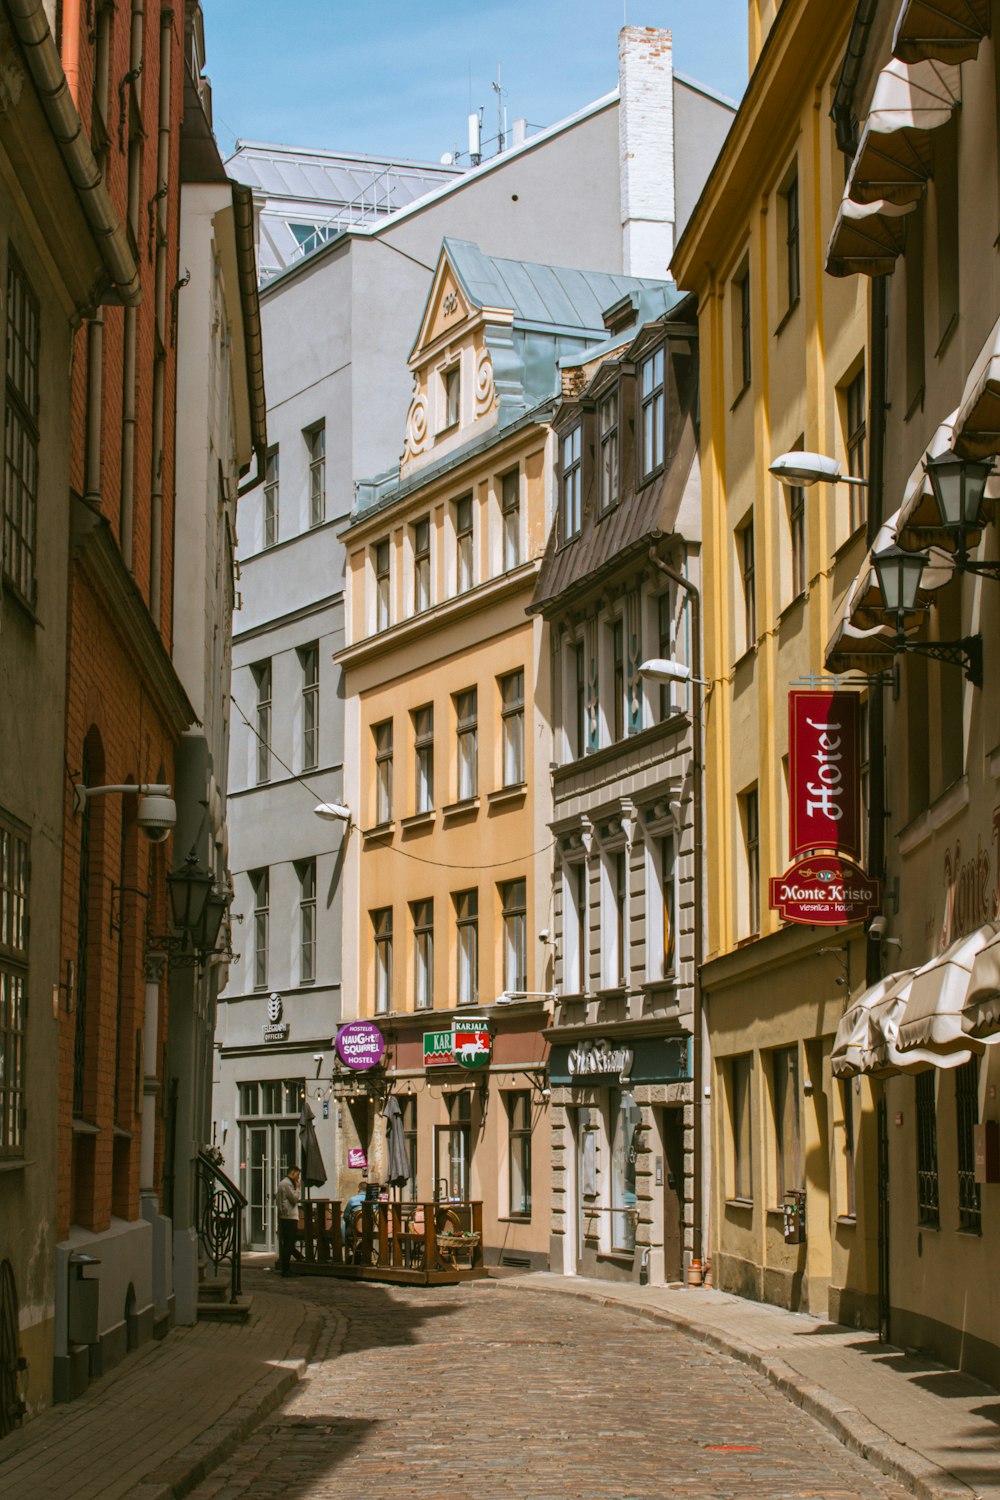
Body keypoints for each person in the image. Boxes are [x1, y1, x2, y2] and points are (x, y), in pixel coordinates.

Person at [276, 1165, 301, 1277]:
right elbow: (294, 1199)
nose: (298, 1177)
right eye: (298, 1174)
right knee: (289, 1243)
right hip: (289, 1216)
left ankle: (291, 1263)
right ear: (293, 1173)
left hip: (286, 1215)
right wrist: (298, 1188)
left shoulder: (284, 1183)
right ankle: (286, 1269)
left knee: (288, 1242)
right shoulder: (287, 1184)